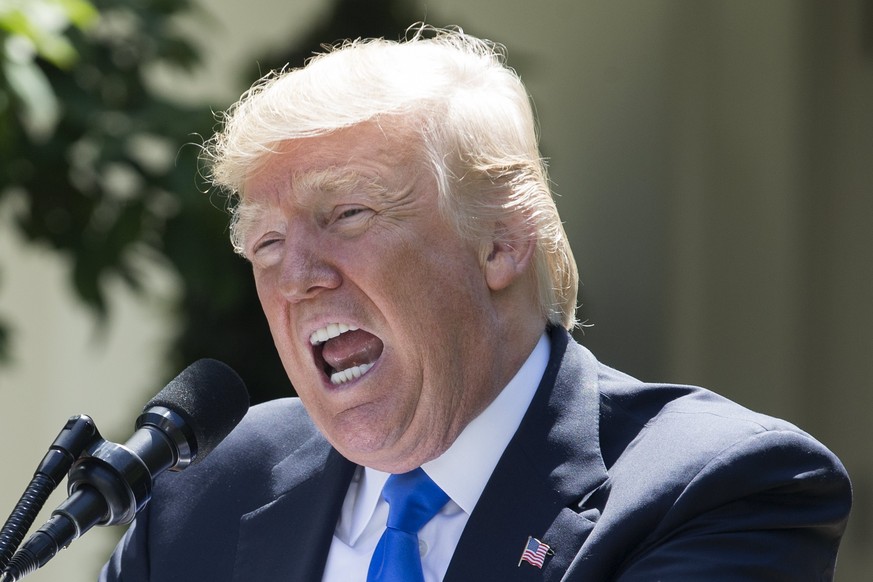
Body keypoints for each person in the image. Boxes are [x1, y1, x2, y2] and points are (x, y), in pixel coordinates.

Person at [101, 25, 851, 581]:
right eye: (265, 244)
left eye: (348, 215)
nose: (295, 277)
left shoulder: (718, 487)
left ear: (500, 241)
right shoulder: (199, 494)